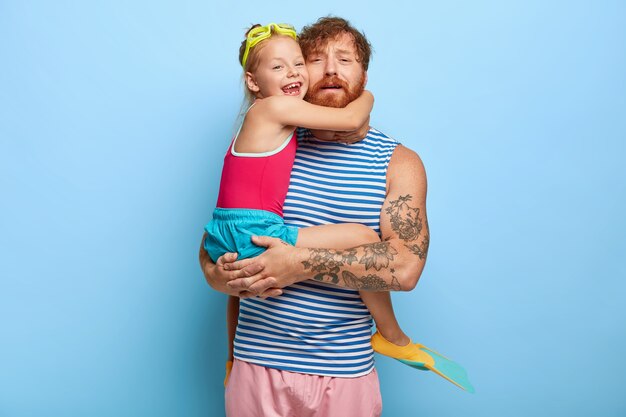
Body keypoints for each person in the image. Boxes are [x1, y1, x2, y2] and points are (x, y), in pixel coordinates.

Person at [201, 17, 472, 417]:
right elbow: (221, 237)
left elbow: (404, 269)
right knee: (357, 235)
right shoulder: (277, 141)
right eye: (314, 59)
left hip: (344, 376)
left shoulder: (398, 162)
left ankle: (391, 336)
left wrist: (296, 265)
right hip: (254, 367)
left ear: (363, 72)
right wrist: (212, 274)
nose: (330, 69)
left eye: (345, 59)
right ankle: (393, 336)